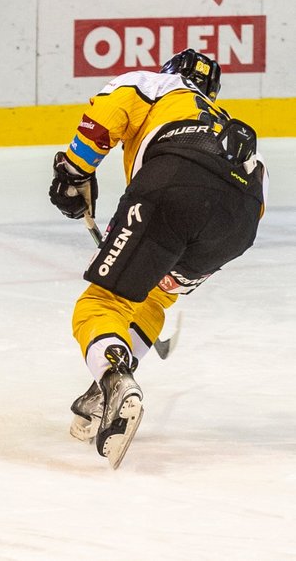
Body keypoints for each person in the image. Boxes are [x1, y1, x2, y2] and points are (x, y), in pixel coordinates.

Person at [48, 49, 267, 468]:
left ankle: (115, 379)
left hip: (176, 181)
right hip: (239, 220)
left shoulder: (158, 85)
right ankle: (104, 389)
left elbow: (108, 113)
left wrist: (74, 172)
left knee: (98, 304)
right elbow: (255, 209)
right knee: (151, 299)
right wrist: (181, 278)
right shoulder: (225, 126)